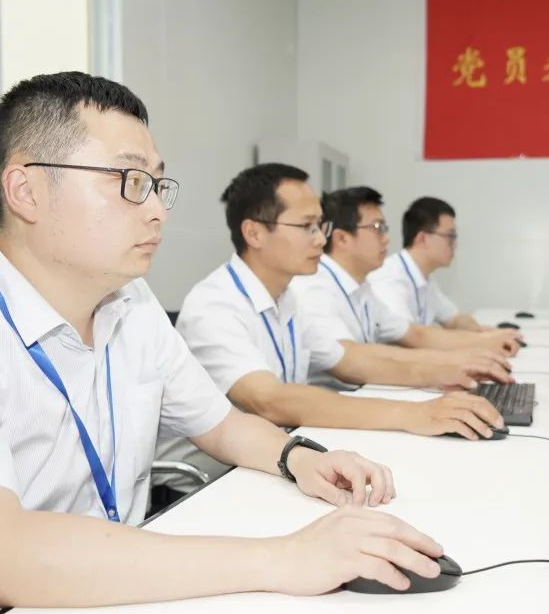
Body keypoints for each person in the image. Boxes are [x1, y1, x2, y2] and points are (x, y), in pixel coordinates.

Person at [0, 73, 444, 614]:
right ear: (26, 190)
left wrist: (300, 458)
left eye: (157, 184)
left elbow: (223, 425)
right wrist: (283, 557)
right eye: (128, 181)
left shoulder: (130, 302)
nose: (156, 210)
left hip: (91, 599)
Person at [175, 163, 506, 441]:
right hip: (216, 480)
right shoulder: (214, 305)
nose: (321, 239)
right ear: (254, 233)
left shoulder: (287, 297)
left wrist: (448, 370)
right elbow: (268, 399)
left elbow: (350, 360)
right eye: (306, 226)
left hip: (279, 448)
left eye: (321, 226)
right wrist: (413, 414)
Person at [291, 186, 522, 387]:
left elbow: (414, 334)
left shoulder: (361, 286)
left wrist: (481, 347)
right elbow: (350, 358)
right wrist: (454, 362)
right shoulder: (314, 287)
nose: (386, 238)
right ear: (342, 239)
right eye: (377, 227)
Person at [369, 196, 500, 332]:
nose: (454, 245)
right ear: (423, 238)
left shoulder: (425, 279)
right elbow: (411, 339)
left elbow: (455, 319)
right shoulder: (389, 279)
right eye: (450, 236)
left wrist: (485, 332)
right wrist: (484, 339)